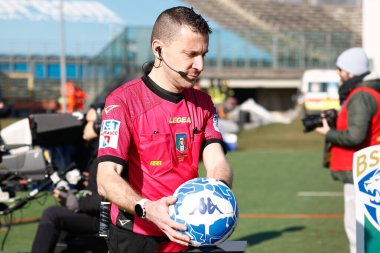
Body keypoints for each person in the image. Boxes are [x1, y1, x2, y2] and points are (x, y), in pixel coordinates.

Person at [96, 6, 233, 253]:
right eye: (190, 54)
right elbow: (105, 179)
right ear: (158, 49)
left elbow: (217, 161)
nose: (199, 65)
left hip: (187, 234)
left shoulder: (203, 102)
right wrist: (147, 209)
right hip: (137, 236)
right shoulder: (123, 101)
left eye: (203, 54)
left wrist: (218, 192)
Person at [315, 47, 380, 253]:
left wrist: (328, 132)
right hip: (366, 168)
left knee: (358, 230)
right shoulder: (366, 92)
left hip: (361, 171)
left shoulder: (360, 95)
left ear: (351, 71)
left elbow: (355, 136)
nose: (338, 73)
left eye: (340, 68)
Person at [31, 103, 105, 253]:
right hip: (98, 216)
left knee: (52, 214)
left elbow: (109, 200)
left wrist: (76, 202)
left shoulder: (104, 156)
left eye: (87, 122)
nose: (83, 126)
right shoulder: (94, 152)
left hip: (104, 222)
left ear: (99, 125)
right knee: (62, 233)